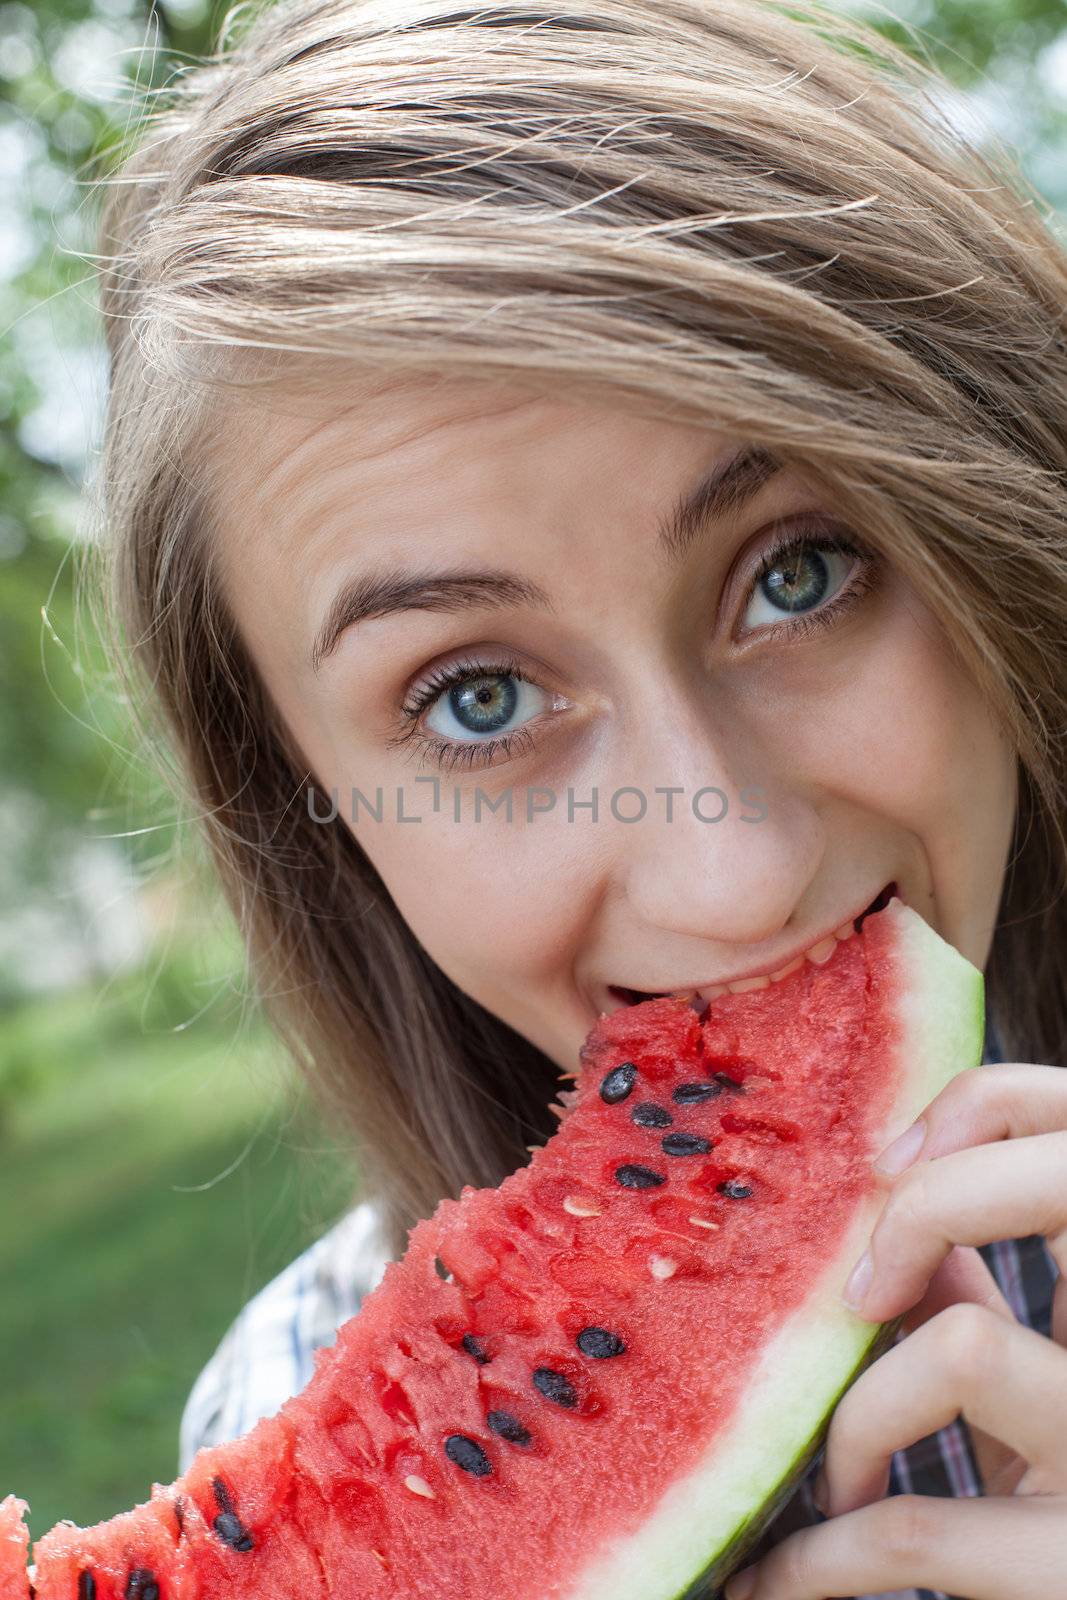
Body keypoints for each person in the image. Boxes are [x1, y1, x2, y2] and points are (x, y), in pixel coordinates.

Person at [88, 0, 1067, 1594]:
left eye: (800, 574)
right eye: (479, 701)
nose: (736, 872)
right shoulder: (279, 1399)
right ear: (310, 803)